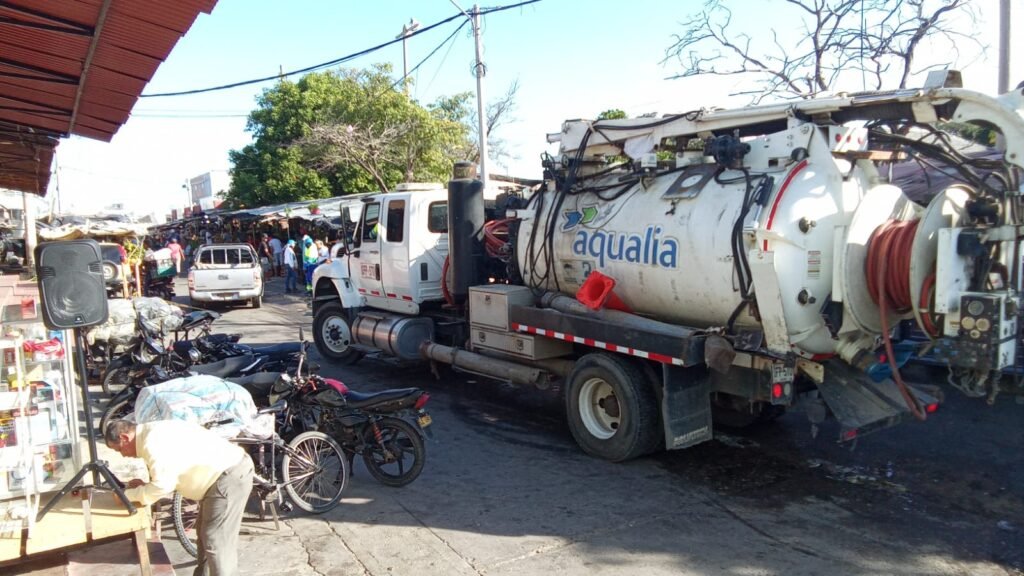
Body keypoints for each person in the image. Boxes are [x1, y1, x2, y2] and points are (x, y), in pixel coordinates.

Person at [105, 418, 254, 576]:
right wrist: (144, 487)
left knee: (216, 540)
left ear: (124, 438)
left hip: (228, 476)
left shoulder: (151, 443)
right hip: (222, 477)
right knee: (206, 536)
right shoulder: (152, 431)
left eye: (119, 450)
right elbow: (167, 473)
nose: (123, 455)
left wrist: (127, 496)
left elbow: (163, 485)